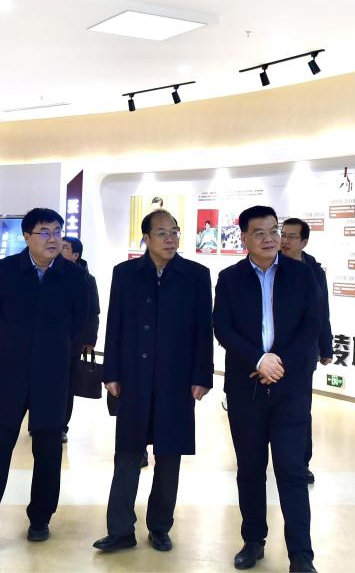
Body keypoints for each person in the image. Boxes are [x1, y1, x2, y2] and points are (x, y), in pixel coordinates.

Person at [0, 208, 91, 546]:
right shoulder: (5, 272)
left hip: (53, 375)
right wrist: (17, 343)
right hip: (11, 372)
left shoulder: (74, 277)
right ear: (27, 237)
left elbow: (80, 322)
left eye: (57, 231)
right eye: (44, 232)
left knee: (48, 451)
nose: (53, 238)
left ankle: (40, 519)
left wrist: (55, 350)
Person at [93, 210, 213, 554]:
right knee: (127, 455)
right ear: (145, 238)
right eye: (162, 233)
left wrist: (202, 375)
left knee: (169, 456)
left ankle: (160, 526)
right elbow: (115, 325)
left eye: (175, 232)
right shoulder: (125, 274)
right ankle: (120, 530)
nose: (170, 239)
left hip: (177, 381)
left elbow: (203, 330)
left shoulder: (195, 275)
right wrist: (111, 372)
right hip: (134, 377)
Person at [213, 205, 321, 573]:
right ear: (244, 238)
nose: (270, 238)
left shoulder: (302, 275)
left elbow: (311, 325)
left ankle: (301, 554)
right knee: (250, 469)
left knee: (292, 470)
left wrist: (279, 362)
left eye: (273, 230)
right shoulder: (229, 278)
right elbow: (223, 327)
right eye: (259, 232)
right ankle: (253, 540)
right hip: (247, 389)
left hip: (290, 389)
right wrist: (259, 360)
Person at [280, 218, 334, 484]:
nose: (285, 241)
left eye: (292, 236)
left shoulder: (314, 271)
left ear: (304, 241)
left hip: (303, 355)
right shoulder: (271, 265)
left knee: (301, 411)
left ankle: (302, 463)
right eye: (283, 234)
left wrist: (326, 347)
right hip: (274, 354)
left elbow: (322, 312)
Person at [59, 236, 100, 443]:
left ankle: (61, 426)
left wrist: (89, 340)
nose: (60, 249)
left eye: (65, 248)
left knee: (67, 387)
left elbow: (93, 312)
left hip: (73, 344)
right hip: (49, 343)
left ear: (76, 255)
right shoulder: (51, 273)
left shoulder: (87, 279)